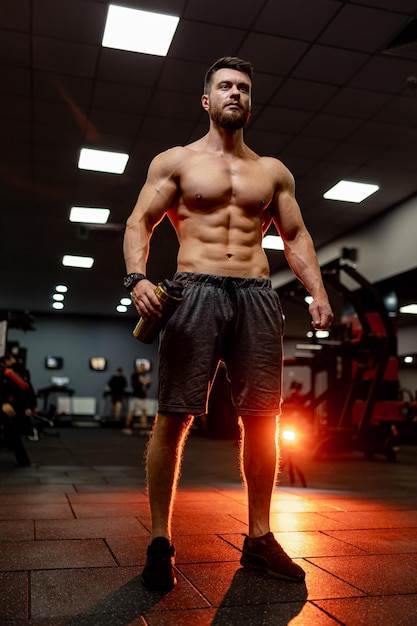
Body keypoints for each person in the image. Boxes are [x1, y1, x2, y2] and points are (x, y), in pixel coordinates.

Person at [123, 56, 333, 591]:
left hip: (258, 296)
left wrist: (318, 291)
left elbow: (296, 237)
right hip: (194, 291)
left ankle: (259, 538)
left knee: (262, 419)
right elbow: (139, 222)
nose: (235, 93)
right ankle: (159, 541)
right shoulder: (176, 162)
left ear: (250, 100)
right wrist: (137, 279)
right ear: (207, 100)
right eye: (225, 86)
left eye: (243, 86)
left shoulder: (273, 172)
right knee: (174, 416)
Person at [122, 362, 151, 435]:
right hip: (136, 397)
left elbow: (147, 386)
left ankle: (144, 429)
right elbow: (134, 385)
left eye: (143, 367)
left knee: (144, 412)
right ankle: (127, 427)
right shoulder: (134, 375)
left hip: (143, 397)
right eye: (141, 367)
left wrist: (148, 383)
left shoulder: (145, 375)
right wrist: (142, 382)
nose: (142, 369)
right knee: (132, 412)